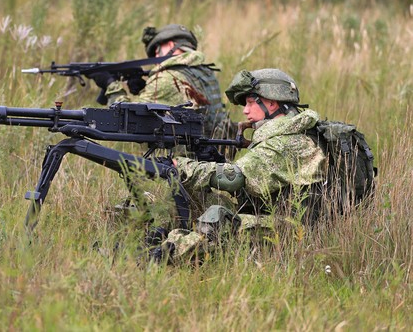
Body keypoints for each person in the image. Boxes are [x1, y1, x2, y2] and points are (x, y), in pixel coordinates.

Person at [156, 68, 328, 263]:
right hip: (270, 219)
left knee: (219, 218)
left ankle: (163, 256)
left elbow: (233, 178)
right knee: (198, 193)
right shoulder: (286, 134)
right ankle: (161, 235)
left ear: (271, 102)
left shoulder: (286, 142)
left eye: (250, 102)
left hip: (293, 230)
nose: (245, 110)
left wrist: (183, 165)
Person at [89, 24, 226, 136]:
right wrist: (145, 88)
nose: (155, 54)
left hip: (180, 162)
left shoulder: (166, 78)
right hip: (210, 154)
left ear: (171, 45)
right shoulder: (206, 73)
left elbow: (126, 118)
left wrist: (110, 84)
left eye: (157, 49)